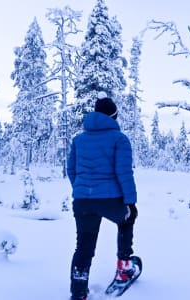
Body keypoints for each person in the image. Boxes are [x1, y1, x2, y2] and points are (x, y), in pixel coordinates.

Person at [67, 97, 139, 300]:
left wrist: (83, 190)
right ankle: (124, 268)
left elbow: (71, 170)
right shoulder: (119, 139)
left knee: (83, 246)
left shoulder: (78, 139)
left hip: (82, 201)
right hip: (110, 199)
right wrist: (130, 202)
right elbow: (123, 172)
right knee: (128, 218)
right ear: (113, 116)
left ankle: (78, 290)